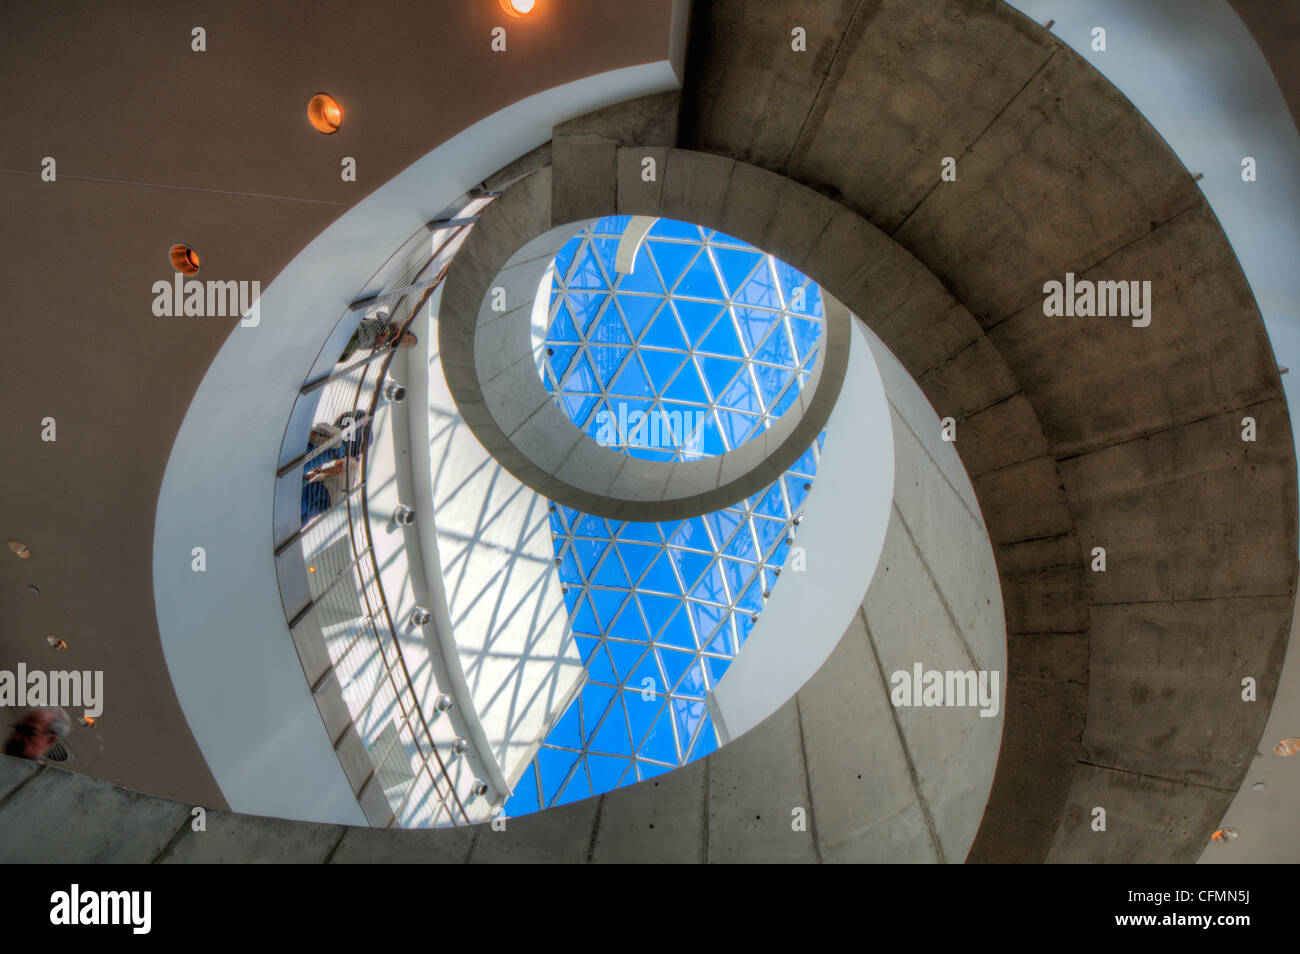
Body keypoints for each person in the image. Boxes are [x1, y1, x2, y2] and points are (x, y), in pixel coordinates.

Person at [336, 308, 419, 364]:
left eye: (407, 345)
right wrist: (387, 333)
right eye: (408, 340)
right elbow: (379, 313)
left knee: (343, 358)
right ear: (406, 333)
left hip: (360, 342)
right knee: (348, 346)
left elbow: (375, 346)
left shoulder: (387, 345)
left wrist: (379, 345)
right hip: (359, 330)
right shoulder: (389, 322)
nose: (405, 342)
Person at [3, 707, 72, 762]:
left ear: (50, 740)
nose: (17, 736)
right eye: (18, 729)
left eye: (29, 731)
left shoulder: (43, 778)